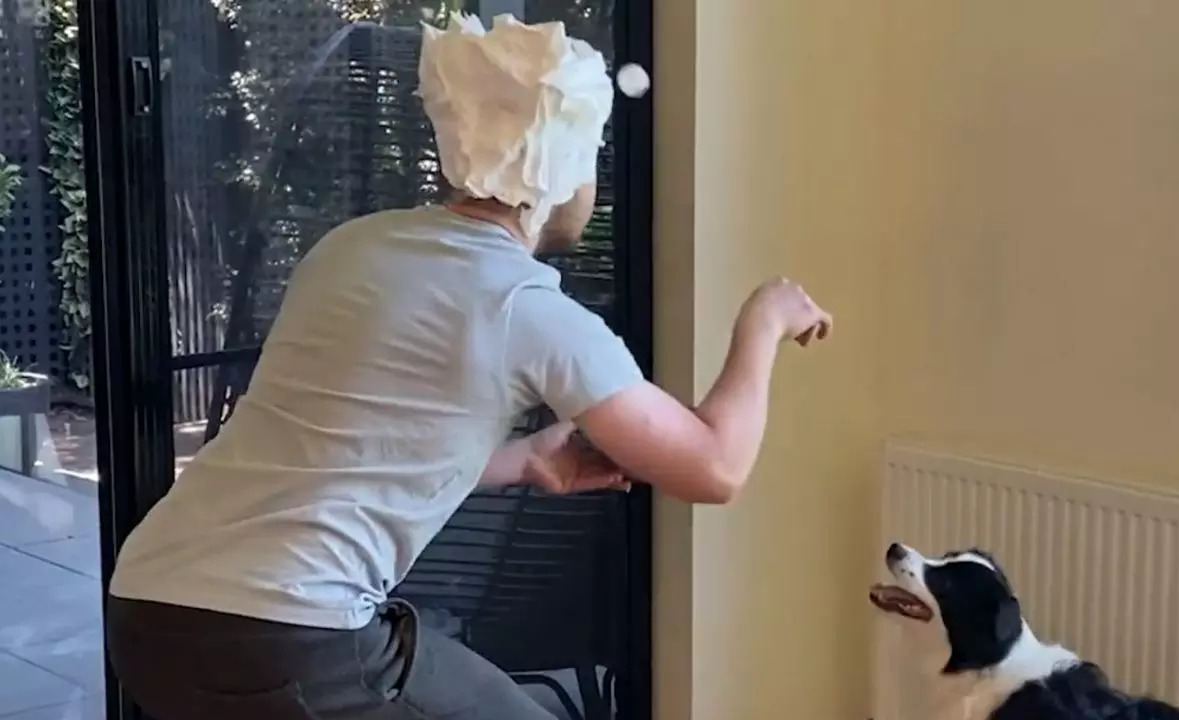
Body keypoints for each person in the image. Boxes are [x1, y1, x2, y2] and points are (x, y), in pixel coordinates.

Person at [104, 13, 832, 720]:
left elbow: (342, 447)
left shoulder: (351, 249)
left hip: (149, 607)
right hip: (289, 635)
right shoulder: (529, 310)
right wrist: (763, 322)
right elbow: (714, 468)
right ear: (559, 168)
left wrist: (523, 463)